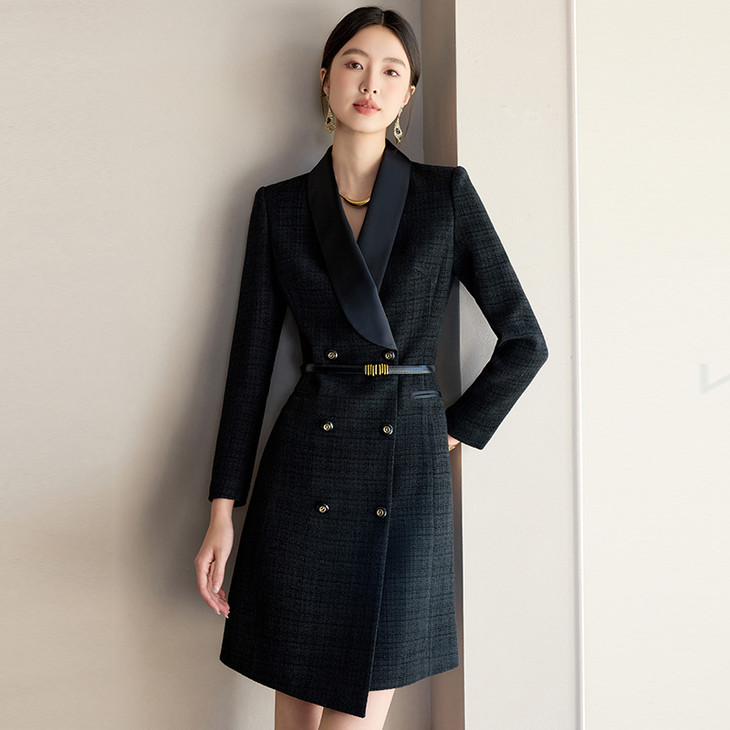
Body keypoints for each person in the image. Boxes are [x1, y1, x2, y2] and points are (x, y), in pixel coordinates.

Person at [194, 6, 548, 729]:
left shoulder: (445, 196)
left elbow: (525, 340)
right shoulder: (280, 208)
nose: (370, 83)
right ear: (326, 78)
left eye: (391, 71)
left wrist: (447, 431)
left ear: (409, 93)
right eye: (355, 64)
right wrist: (222, 513)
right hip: (304, 473)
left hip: (404, 473)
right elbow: (248, 369)